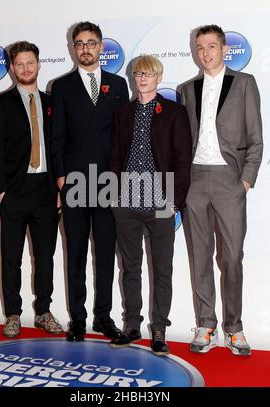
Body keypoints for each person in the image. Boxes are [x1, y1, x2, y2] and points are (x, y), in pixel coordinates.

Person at [181, 25, 263, 356]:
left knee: (231, 257)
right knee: (199, 256)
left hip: (230, 181)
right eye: (199, 47)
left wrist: (245, 180)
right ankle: (206, 323)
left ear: (224, 48)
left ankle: (234, 327)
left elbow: (256, 138)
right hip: (195, 181)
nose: (205, 53)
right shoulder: (188, 89)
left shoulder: (244, 84)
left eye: (211, 46)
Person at [50, 21, 129, 341]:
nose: (85, 48)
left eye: (91, 43)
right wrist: (60, 176)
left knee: (106, 252)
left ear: (101, 47)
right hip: (74, 180)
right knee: (76, 253)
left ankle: (104, 317)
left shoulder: (118, 84)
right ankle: (78, 319)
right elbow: (57, 136)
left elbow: (124, 136)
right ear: (73, 48)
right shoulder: (62, 85)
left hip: (109, 180)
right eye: (79, 43)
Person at [109, 55, 192, 355]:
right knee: (130, 267)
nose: (142, 78)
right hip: (126, 201)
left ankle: (159, 330)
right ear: (133, 78)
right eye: (137, 73)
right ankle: (131, 326)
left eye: (148, 73)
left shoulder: (174, 112)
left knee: (162, 268)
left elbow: (183, 160)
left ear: (159, 77)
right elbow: (115, 156)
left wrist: (176, 201)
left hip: (161, 200)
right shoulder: (122, 113)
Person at [0, 41, 63, 338]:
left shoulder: (52, 102)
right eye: (19, 64)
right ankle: (13, 314)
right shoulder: (0, 103)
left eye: (30, 62)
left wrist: (59, 188)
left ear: (39, 64)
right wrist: (1, 192)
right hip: (14, 192)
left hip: (46, 190)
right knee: (11, 258)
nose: (26, 68)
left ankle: (43, 311)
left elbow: (58, 148)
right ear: (11, 68)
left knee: (45, 257)